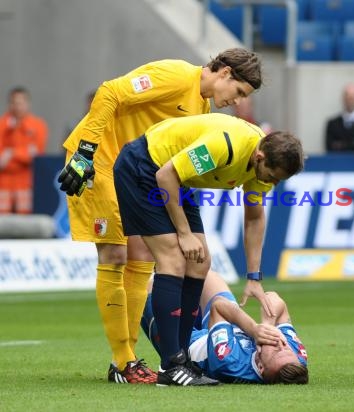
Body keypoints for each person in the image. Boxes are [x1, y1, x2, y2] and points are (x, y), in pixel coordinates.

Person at [57, 48, 264, 384]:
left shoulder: (202, 105)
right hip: (102, 160)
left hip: (137, 173)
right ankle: (124, 361)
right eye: (239, 92)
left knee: (141, 255)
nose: (238, 102)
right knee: (115, 251)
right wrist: (85, 151)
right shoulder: (175, 75)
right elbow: (110, 91)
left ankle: (125, 360)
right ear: (225, 72)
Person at [113, 113, 305, 386]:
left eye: (277, 182)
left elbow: (253, 217)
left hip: (176, 179)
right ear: (260, 157)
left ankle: (182, 357)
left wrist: (253, 277)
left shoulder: (262, 165)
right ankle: (171, 366)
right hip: (143, 165)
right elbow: (165, 175)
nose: (270, 185)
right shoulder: (224, 146)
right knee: (174, 260)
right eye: (271, 177)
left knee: (200, 262)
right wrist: (184, 233)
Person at [141, 271, 309, 384]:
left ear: (260, 366)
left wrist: (253, 330)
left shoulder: (230, 362)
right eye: (285, 347)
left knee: (155, 284)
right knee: (202, 272)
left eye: (275, 351)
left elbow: (218, 307)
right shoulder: (296, 358)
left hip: (188, 342)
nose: (280, 344)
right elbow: (274, 298)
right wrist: (267, 326)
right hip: (225, 326)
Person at [0, 87, 48, 214]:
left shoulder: (38, 125)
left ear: (27, 104)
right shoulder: (2, 125)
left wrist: (10, 153)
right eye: (14, 103)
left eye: (20, 103)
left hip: (26, 182)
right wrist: (24, 153)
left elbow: (36, 156)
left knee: (25, 222)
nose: (17, 107)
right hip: (3, 183)